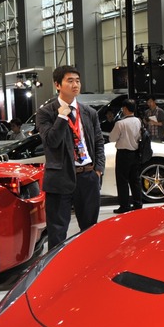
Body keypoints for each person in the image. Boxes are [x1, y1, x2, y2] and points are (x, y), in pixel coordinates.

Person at [37, 65, 106, 250]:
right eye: (70, 80)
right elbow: (51, 141)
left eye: (77, 80)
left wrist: (98, 169)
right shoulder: (46, 113)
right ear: (57, 85)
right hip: (60, 178)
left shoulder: (89, 113)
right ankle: (57, 271)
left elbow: (99, 142)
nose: (75, 84)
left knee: (90, 228)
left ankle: (87, 266)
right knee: (57, 231)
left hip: (88, 176)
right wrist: (61, 116)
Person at [108, 99, 144, 213]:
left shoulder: (120, 123)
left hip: (123, 154)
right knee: (135, 180)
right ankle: (138, 203)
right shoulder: (138, 121)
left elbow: (112, 138)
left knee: (122, 181)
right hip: (135, 152)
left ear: (125, 109)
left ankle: (124, 206)